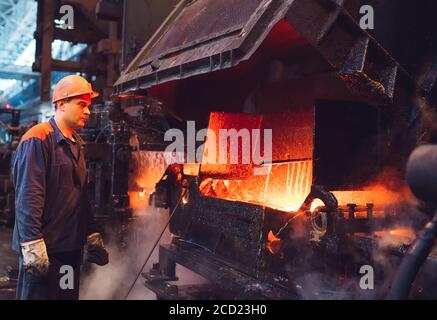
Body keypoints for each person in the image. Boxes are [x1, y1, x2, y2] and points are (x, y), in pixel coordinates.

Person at [12, 75, 109, 300]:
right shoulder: (38, 139)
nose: (88, 112)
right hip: (44, 252)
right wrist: (32, 246)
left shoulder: (77, 145)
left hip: (69, 250)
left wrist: (91, 232)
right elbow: (28, 197)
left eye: (89, 106)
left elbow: (80, 197)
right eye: (82, 104)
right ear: (61, 103)